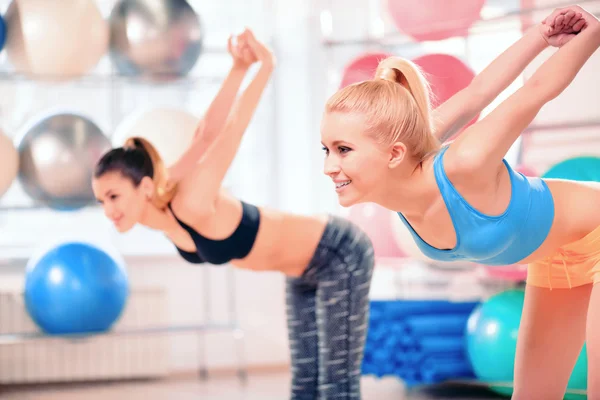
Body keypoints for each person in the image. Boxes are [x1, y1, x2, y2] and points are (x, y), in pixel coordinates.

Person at [320, 5, 600, 399]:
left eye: (343, 149)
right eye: (326, 150)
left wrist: (588, 35)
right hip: (558, 253)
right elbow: (474, 94)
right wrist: (540, 35)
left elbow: (535, 91)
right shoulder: (407, 154)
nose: (330, 167)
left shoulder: (464, 163)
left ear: (394, 153)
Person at [92, 29, 374, 399]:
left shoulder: (189, 200)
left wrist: (262, 65)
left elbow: (228, 130)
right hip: (300, 270)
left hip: (337, 252)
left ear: (143, 187)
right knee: (305, 383)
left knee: (336, 385)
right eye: (101, 201)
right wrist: (239, 66)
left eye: (113, 196)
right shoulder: (162, 194)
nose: (109, 210)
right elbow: (202, 136)